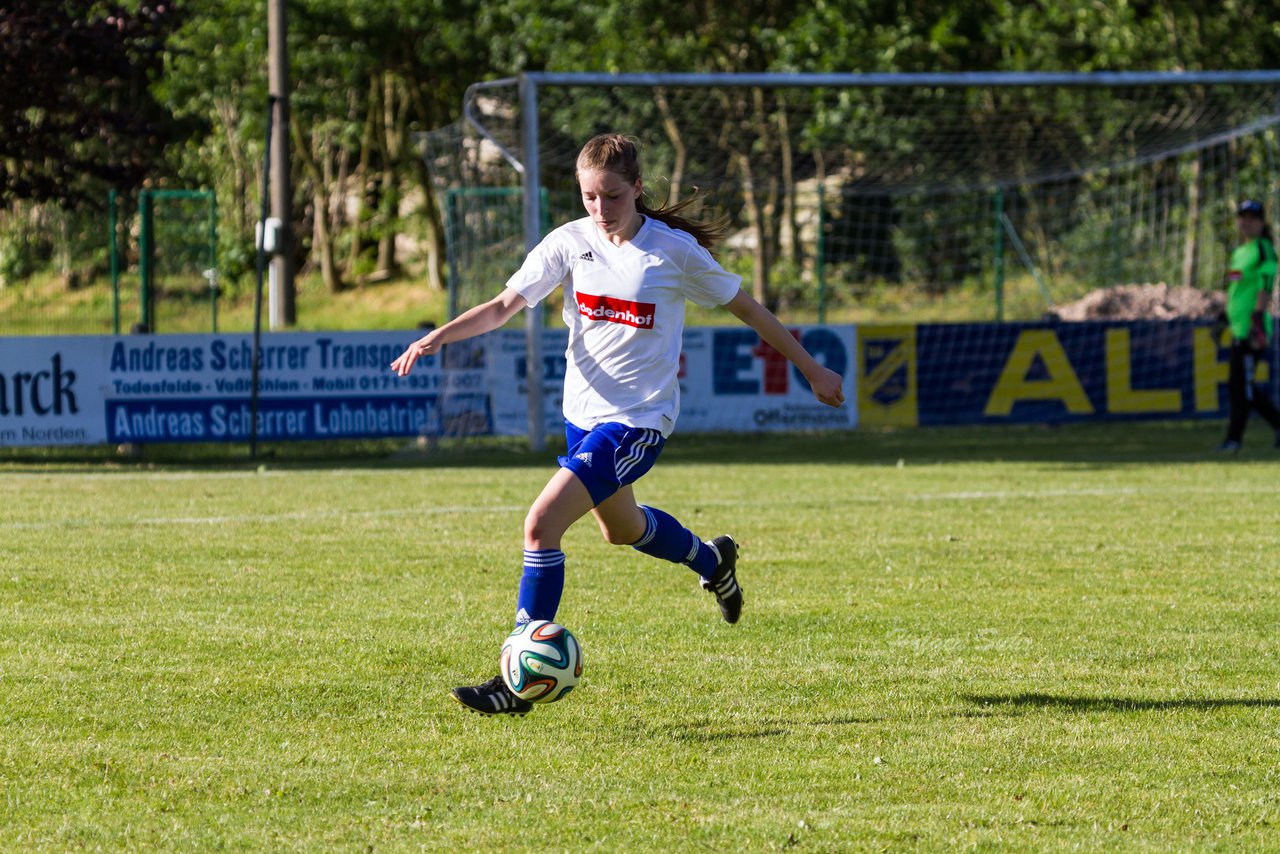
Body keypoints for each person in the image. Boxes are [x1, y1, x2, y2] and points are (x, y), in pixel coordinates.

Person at [391, 133, 845, 716]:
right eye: (588, 198)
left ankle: (517, 676)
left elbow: (749, 309)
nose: (600, 210)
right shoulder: (568, 243)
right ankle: (713, 562)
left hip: (637, 422)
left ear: (636, 189)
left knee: (540, 526)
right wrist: (437, 337)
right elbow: (505, 306)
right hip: (581, 418)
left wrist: (811, 368)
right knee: (623, 530)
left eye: (611, 196)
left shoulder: (672, 251)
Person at [1217, 198, 1280, 452]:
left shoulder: (1264, 248)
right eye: (1242, 217)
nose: (1246, 221)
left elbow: (1266, 286)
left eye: (1252, 217)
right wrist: (1221, 319)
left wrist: (1256, 323)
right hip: (1237, 327)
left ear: (1262, 222)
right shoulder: (1239, 252)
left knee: (1241, 388)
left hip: (1252, 329)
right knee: (1241, 386)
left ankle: (1233, 440)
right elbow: (1235, 289)